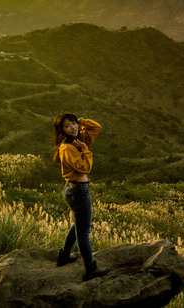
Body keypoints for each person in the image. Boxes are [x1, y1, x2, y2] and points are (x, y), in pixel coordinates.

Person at [53, 113, 109, 281]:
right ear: (61, 130)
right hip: (78, 191)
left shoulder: (77, 139)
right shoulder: (68, 147)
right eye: (67, 126)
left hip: (76, 190)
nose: (73, 127)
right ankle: (90, 269)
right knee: (84, 232)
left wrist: (81, 121)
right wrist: (85, 150)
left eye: (74, 123)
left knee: (79, 224)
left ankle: (64, 255)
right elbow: (84, 167)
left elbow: (96, 127)